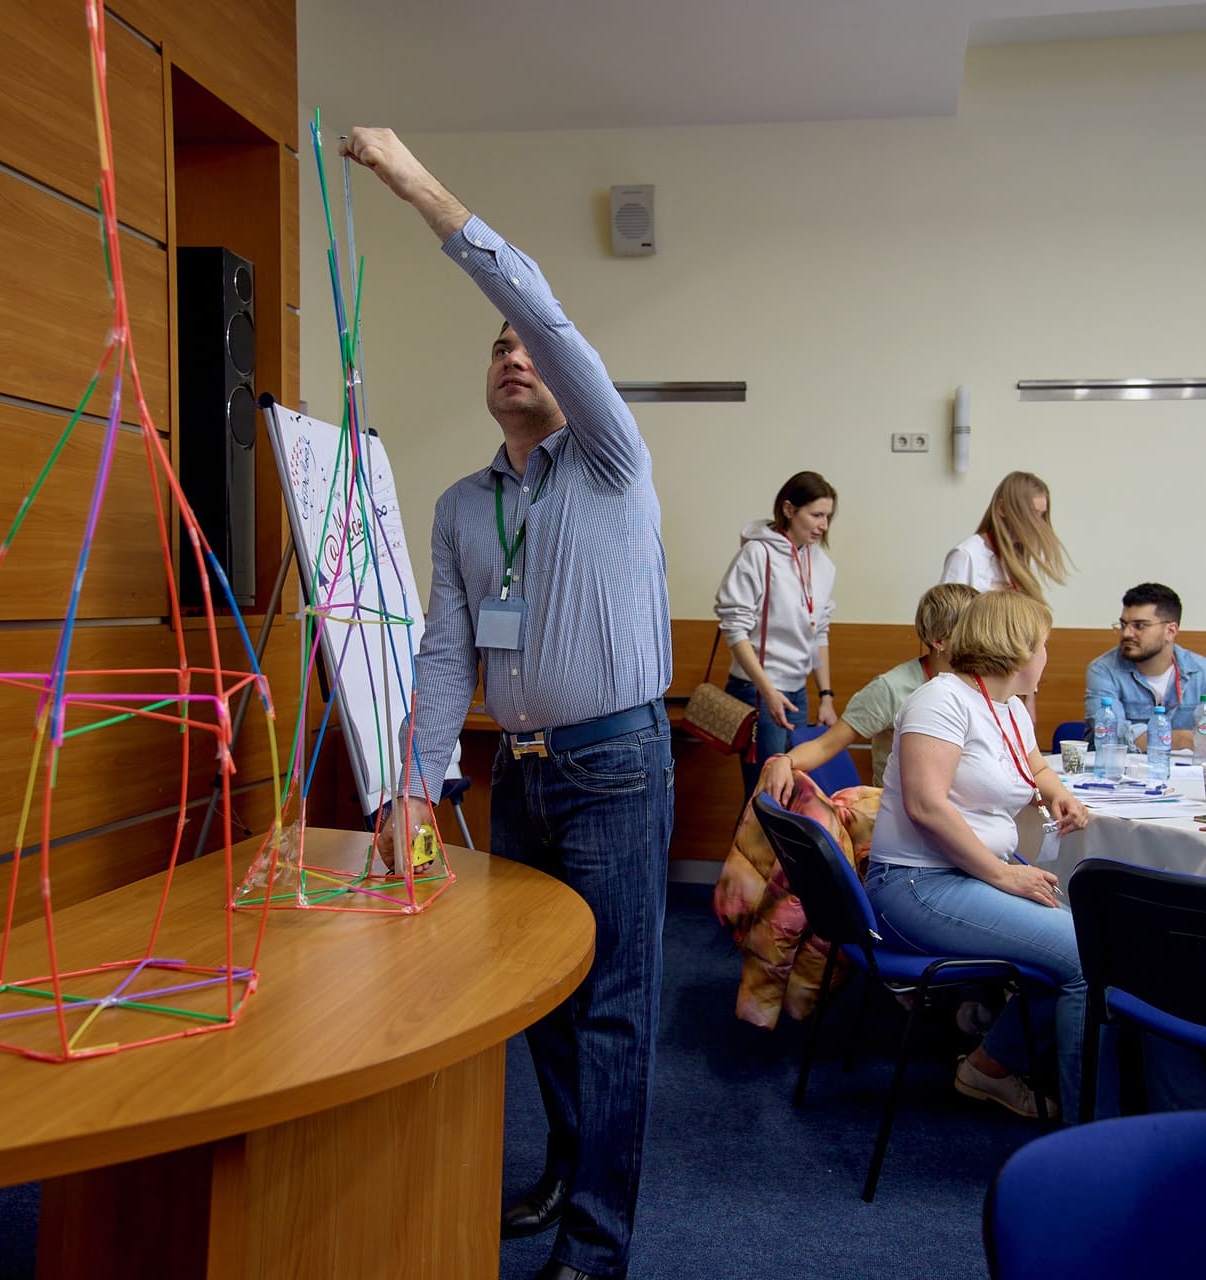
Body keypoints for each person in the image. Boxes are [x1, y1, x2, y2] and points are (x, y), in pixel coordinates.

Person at [345, 127, 671, 1280]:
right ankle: (568, 1168)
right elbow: (445, 657)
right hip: (518, 773)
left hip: (618, 765)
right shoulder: (459, 506)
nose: (515, 352)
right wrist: (412, 785)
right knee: (541, 995)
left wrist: (413, 183)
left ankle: (598, 1243)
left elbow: (535, 303)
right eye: (498, 347)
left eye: (529, 341)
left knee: (616, 1006)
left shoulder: (610, 457)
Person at [864, 591, 1091, 1121]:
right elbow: (926, 806)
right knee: (1088, 959)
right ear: (1017, 648)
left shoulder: (1006, 708)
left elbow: (1035, 767)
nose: (1047, 657)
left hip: (966, 878)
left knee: (1093, 945)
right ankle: (1090, 1128)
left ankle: (989, 1067)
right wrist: (1003, 876)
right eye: (1043, 645)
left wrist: (1057, 793)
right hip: (917, 885)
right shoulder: (941, 700)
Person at [758, 582, 977, 801]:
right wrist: (785, 761)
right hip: (904, 810)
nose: (984, 638)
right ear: (939, 641)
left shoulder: (979, 683)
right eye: (973, 630)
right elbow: (824, 745)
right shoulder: (891, 688)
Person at [714, 472, 837, 797]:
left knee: (791, 793)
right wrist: (767, 690)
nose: (824, 525)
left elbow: (819, 633)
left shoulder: (821, 564)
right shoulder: (758, 554)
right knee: (765, 795)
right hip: (758, 689)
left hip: (797, 692)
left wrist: (826, 696)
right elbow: (734, 627)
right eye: (816, 515)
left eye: (827, 516)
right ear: (788, 509)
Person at [1084, 582, 1206, 757]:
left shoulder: (1203, 671)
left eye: (1139, 625)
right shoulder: (1102, 670)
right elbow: (1111, 733)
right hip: (1122, 771)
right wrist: (1184, 739)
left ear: (1170, 631)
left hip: (1188, 771)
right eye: (1123, 624)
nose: (1126, 633)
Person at [940, 470, 1071, 599]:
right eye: (1032, 513)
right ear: (1002, 509)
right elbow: (946, 612)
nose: (1039, 525)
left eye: (1041, 515)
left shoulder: (1019, 559)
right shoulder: (966, 555)